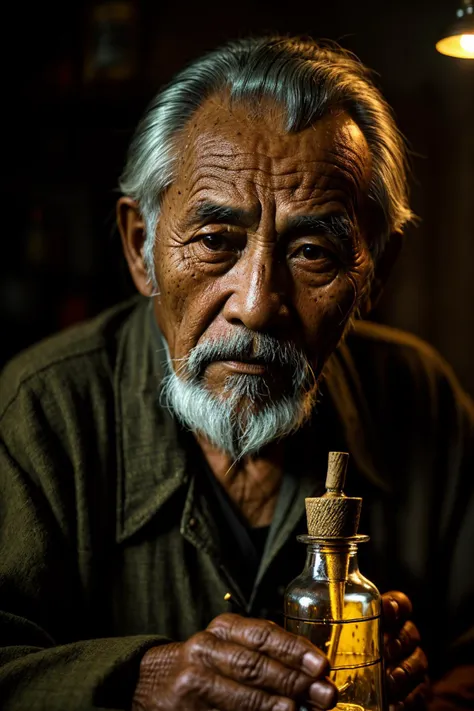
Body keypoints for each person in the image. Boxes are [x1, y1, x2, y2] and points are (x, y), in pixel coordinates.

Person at [0, 35, 472, 711]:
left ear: (375, 273)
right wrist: (135, 679)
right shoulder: (39, 411)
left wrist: (427, 693)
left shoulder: (422, 397)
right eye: (215, 241)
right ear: (141, 249)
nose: (255, 305)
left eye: (313, 251)